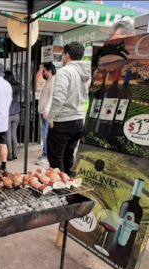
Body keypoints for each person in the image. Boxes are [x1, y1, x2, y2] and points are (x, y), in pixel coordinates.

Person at [46, 42, 91, 174]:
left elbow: (59, 98)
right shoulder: (85, 73)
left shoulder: (65, 72)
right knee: (68, 155)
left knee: (55, 157)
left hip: (63, 121)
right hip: (78, 119)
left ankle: (59, 190)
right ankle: (68, 186)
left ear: (67, 55)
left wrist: (51, 118)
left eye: (63, 55)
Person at [35, 62, 56, 166]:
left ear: (49, 71)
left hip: (48, 113)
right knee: (45, 134)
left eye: (44, 71)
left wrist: (46, 110)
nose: (42, 73)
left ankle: (46, 155)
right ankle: (46, 154)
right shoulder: (49, 81)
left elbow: (52, 97)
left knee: (45, 134)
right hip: (45, 112)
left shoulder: (53, 82)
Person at [3, 71, 22, 161]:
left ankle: (9, 154)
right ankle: (15, 153)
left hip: (8, 114)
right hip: (16, 113)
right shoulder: (17, 87)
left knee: (8, 134)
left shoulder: (6, 88)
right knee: (14, 134)